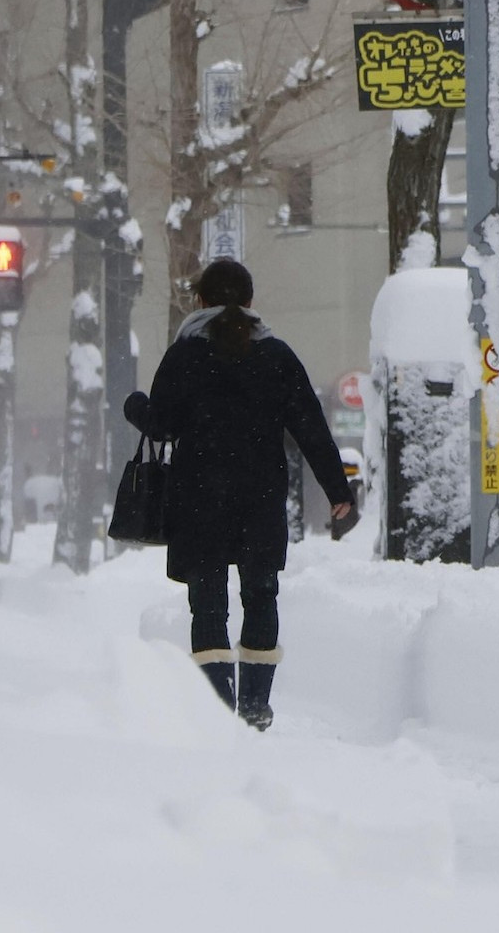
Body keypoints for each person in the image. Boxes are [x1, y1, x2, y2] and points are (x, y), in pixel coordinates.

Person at [124, 258, 354, 731]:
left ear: (202, 301)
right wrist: (338, 491)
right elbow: (311, 428)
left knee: (207, 601)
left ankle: (217, 708)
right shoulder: (277, 355)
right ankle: (255, 706)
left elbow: (163, 426)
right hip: (261, 496)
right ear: (250, 302)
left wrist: (136, 407)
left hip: (199, 497)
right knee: (261, 594)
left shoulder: (185, 354)